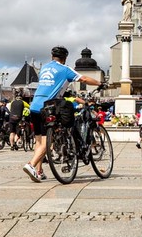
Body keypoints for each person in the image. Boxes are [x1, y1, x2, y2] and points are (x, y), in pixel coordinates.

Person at [23, 46, 105, 183]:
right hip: (48, 106)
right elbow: (83, 79)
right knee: (48, 142)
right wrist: (100, 83)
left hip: (34, 105)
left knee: (39, 141)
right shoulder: (65, 69)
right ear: (65, 58)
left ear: (51, 56)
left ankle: (39, 171)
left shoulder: (44, 68)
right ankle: (30, 165)